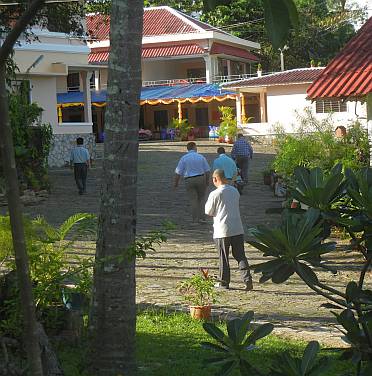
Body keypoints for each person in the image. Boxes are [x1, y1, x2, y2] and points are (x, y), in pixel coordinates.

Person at [205, 169, 253, 290]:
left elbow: (208, 211)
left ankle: (223, 282)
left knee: (223, 257)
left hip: (222, 229)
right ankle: (247, 280)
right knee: (240, 255)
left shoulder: (215, 194)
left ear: (215, 179)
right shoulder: (234, 191)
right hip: (237, 227)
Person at [174, 142, 210, 223]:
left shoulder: (184, 158)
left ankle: (195, 219)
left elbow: (178, 172)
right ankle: (202, 217)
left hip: (189, 179)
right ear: (194, 147)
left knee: (193, 200)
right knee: (201, 198)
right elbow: (207, 170)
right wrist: (207, 181)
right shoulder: (201, 157)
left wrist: (176, 183)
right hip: (201, 178)